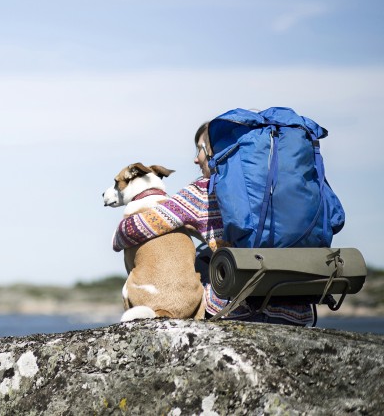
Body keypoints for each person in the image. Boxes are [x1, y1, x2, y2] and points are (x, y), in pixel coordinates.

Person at [112, 121, 315, 326]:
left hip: (236, 310)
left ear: (217, 151)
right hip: (297, 311)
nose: (195, 159)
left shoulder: (202, 192)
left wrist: (121, 232)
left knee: (201, 259)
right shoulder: (301, 188)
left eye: (199, 150)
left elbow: (134, 230)